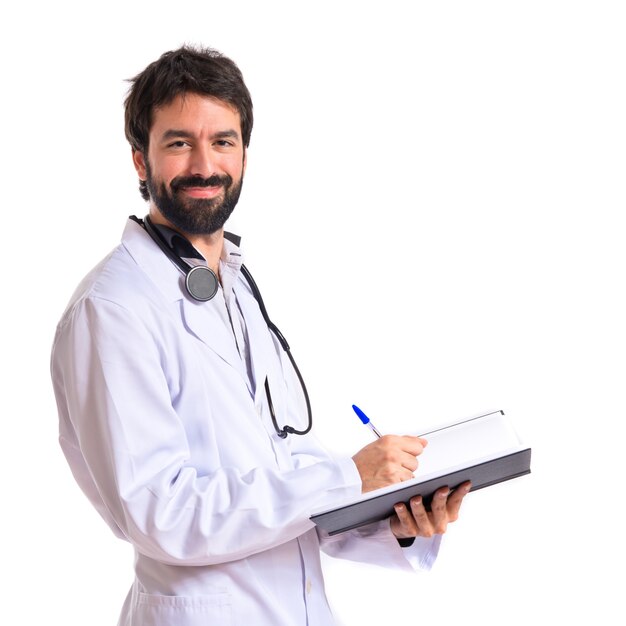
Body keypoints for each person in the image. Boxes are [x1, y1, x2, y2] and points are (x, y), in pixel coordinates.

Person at [50, 45, 470, 626]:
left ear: (244, 153)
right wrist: (348, 476)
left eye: (223, 141)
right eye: (179, 142)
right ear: (140, 161)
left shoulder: (232, 286)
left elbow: (281, 465)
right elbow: (158, 512)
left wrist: (387, 516)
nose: (204, 164)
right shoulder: (114, 308)